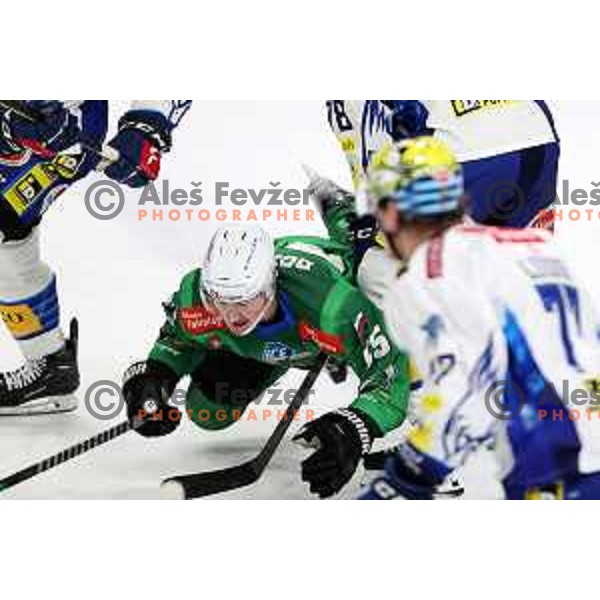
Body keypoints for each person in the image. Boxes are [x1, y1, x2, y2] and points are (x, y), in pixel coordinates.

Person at [357, 137, 600, 500]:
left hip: (555, 459)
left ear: (391, 214)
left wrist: (409, 474)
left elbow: (463, 387)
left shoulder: (429, 274)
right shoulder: (535, 242)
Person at [122, 224, 411, 498]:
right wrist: (155, 378)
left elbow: (389, 373)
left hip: (325, 327)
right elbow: (176, 340)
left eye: (245, 299)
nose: (232, 315)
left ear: (270, 285)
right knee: (207, 412)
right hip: (288, 340)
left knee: (417, 366)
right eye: (220, 300)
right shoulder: (197, 299)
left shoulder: (333, 308)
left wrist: (356, 426)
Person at [0, 100, 191, 414]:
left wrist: (146, 128)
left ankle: (50, 366)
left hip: (58, 130)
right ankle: (49, 361)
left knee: (7, 229)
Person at [327, 100, 560, 229]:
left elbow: (373, 168)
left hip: (463, 155)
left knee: (411, 273)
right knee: (530, 271)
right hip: (537, 133)